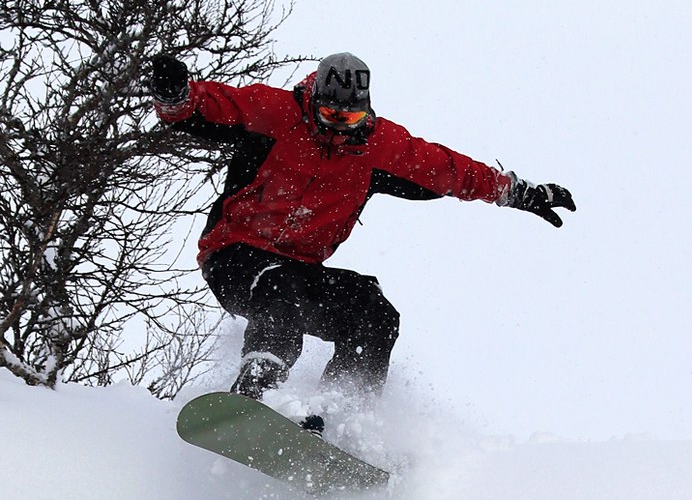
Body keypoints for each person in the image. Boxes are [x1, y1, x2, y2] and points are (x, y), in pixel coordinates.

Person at [151, 51, 575, 401]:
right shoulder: (275, 113)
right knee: (278, 289)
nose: (338, 124)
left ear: (365, 112)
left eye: (350, 118)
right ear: (313, 97)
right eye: (330, 112)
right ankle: (252, 393)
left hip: (302, 266)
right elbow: (209, 106)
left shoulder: (379, 147)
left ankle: (341, 412)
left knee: (373, 310)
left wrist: (518, 193)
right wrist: (175, 96)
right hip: (236, 255)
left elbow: (450, 169)